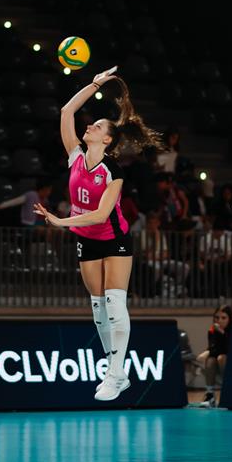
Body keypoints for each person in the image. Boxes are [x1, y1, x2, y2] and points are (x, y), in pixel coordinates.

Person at [33, 67, 162, 401]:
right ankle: (116, 372)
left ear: (107, 140)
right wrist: (94, 84)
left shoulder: (113, 171)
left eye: (99, 126)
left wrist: (61, 222)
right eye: (93, 124)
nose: (90, 126)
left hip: (114, 239)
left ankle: (115, 374)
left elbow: (103, 215)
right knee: (98, 311)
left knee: (115, 305)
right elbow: (67, 111)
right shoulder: (75, 157)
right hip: (87, 240)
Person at [197, 305, 232, 407]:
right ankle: (210, 395)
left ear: (230, 319)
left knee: (221, 358)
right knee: (210, 361)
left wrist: (222, 333)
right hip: (220, 357)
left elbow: (231, 349)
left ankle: (229, 391)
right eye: (217, 317)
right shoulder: (212, 330)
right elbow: (213, 348)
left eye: (223, 318)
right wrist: (208, 352)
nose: (219, 321)